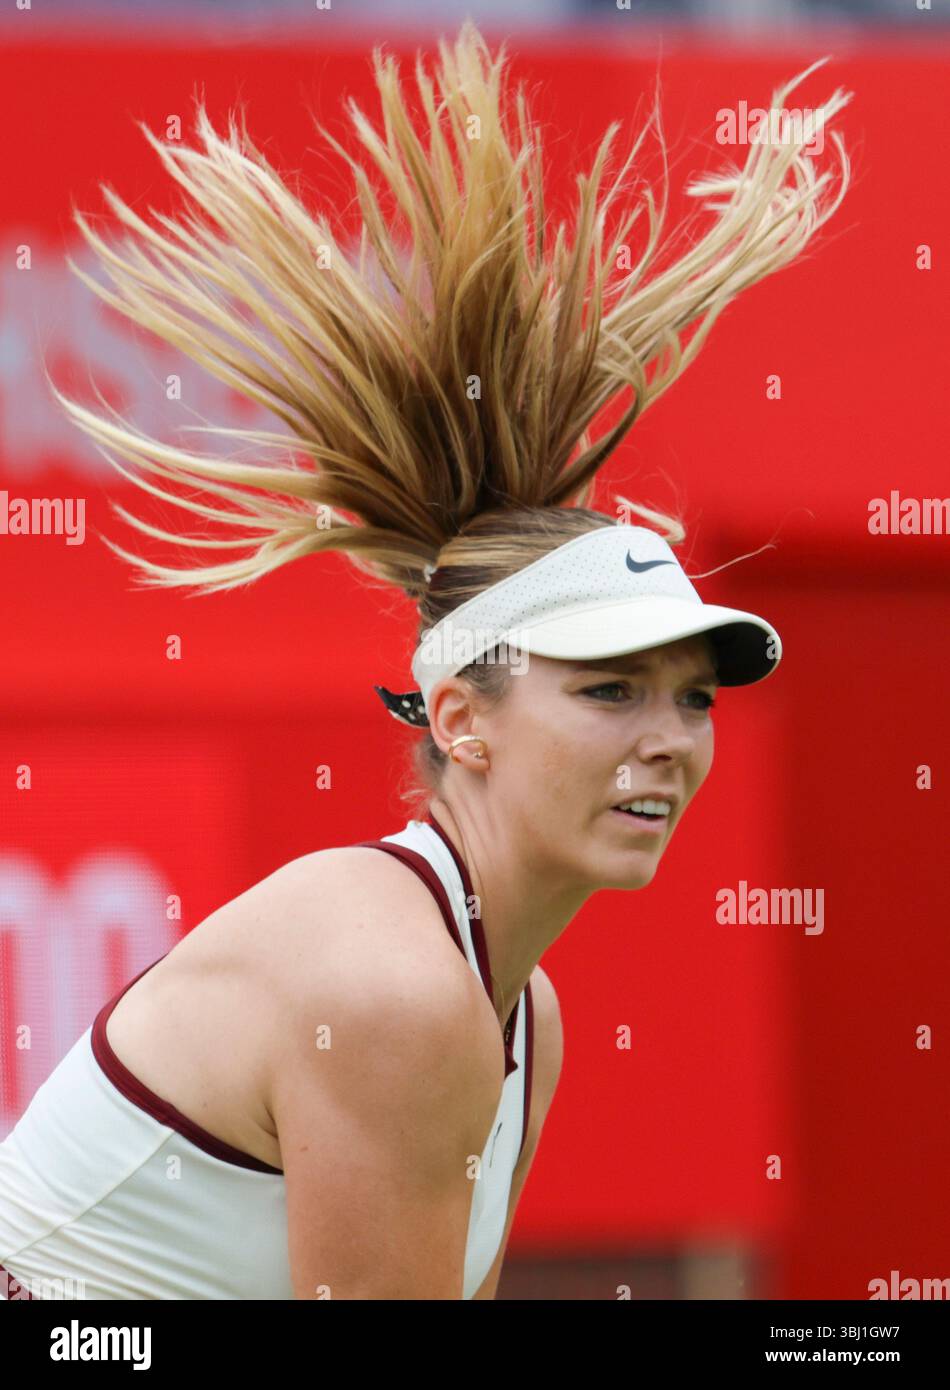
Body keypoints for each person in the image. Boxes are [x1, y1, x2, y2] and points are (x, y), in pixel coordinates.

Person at [0, 21, 850, 1300]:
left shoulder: (518, 1015)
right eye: (609, 689)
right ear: (459, 720)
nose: (668, 738)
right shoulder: (398, 990)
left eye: (690, 696)